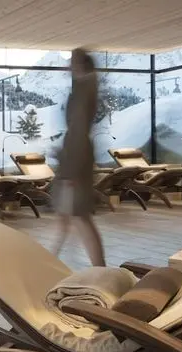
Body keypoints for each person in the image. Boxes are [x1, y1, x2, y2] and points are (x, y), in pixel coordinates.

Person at [52, 48, 105, 267]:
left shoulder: (84, 90)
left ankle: (99, 267)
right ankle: (52, 258)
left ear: (80, 64)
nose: (68, 65)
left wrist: (71, 168)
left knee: (80, 217)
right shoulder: (84, 87)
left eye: (72, 61)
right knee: (66, 216)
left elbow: (79, 128)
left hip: (76, 158)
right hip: (75, 156)